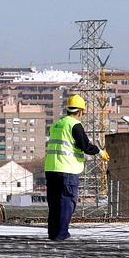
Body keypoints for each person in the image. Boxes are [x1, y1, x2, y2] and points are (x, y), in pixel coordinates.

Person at [44, 94, 110, 241]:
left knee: (54, 204)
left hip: (51, 169)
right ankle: (61, 236)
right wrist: (100, 152)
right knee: (67, 202)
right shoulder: (75, 125)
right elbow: (85, 146)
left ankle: (53, 234)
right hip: (67, 170)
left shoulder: (56, 124)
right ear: (80, 111)